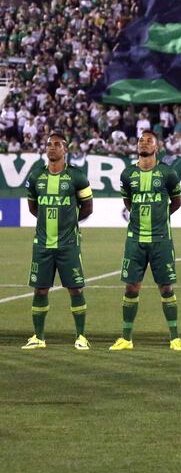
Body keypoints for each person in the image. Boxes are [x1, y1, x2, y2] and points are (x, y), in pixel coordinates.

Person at [109, 130, 181, 351]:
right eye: (141, 140)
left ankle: (175, 338)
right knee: (131, 288)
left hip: (161, 239)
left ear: (156, 147)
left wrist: (160, 217)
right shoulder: (127, 174)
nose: (144, 143)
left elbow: (176, 202)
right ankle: (126, 338)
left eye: (149, 141)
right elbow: (128, 201)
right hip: (135, 240)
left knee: (166, 288)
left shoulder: (167, 173)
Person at [22, 132, 94, 350]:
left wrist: (70, 222)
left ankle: (81, 337)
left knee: (75, 289)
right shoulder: (36, 177)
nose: (52, 148)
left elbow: (88, 207)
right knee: (40, 290)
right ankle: (38, 337)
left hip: (68, 245)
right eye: (49, 145)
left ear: (65, 150)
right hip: (43, 244)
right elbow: (34, 207)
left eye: (57, 145)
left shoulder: (77, 177)